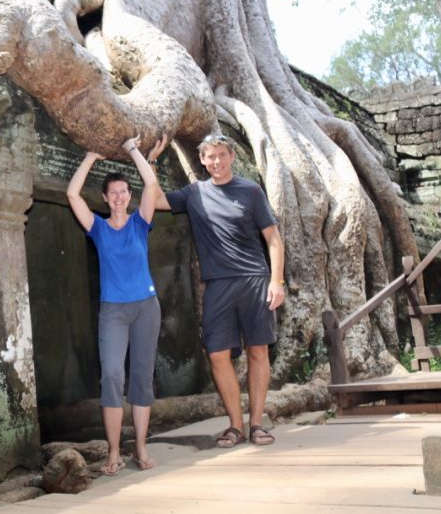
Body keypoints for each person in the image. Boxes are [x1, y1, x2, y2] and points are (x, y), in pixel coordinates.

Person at [153, 132, 285, 448]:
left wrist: (276, 281)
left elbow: (274, 239)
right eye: (210, 156)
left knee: (258, 350)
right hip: (218, 285)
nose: (216, 161)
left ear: (231, 157)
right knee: (217, 354)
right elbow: (155, 200)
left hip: (254, 279)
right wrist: (150, 161)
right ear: (202, 160)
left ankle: (256, 424)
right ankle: (235, 426)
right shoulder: (194, 193)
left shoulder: (251, 192)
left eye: (222, 155)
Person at [66, 134, 168, 475]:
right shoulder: (98, 228)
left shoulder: (140, 224)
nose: (120, 197)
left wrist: (132, 149)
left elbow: (151, 183)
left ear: (129, 196)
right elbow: (71, 194)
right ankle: (113, 452)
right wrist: (91, 157)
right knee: (111, 375)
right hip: (113, 310)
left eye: (125, 191)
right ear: (107, 198)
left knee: (141, 376)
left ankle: (140, 447)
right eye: (114, 193)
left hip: (146, 308)